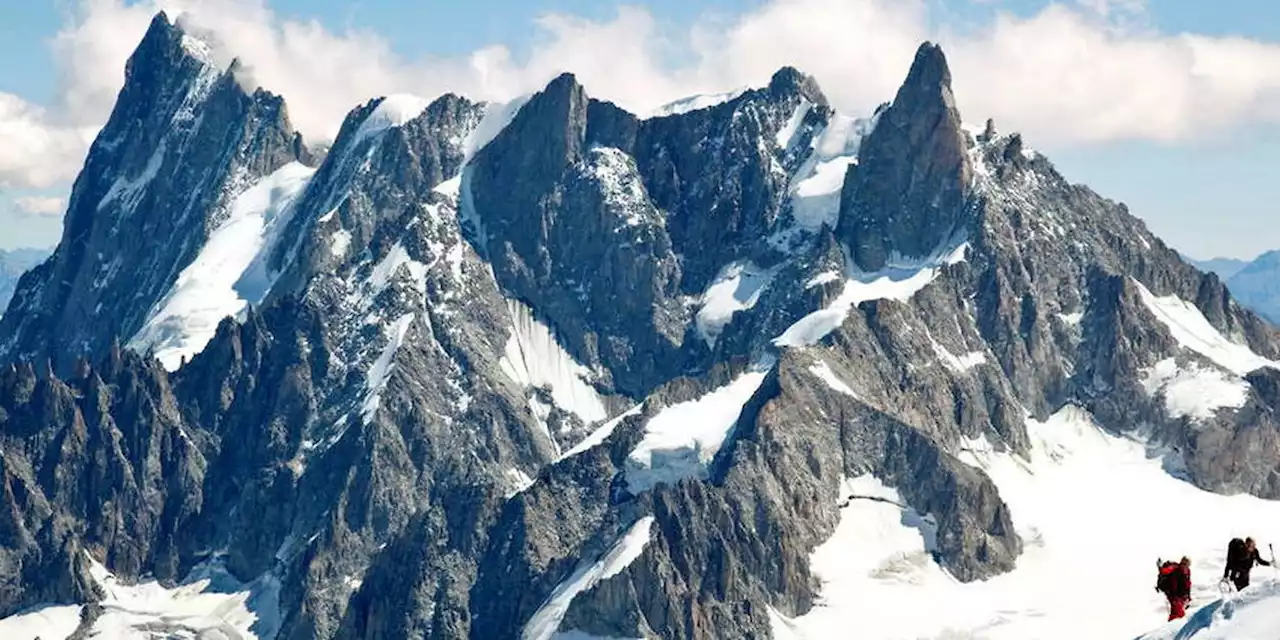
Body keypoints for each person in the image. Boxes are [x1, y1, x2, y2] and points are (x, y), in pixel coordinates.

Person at [1156, 556, 1193, 621]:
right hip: (1174, 595)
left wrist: (1188, 597)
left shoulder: (1187, 571)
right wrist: (1160, 566)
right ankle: (1171, 627)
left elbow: (1188, 584)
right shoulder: (1175, 568)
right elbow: (1164, 571)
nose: (1185, 565)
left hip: (1182, 596)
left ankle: (1172, 627)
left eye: (1186, 564)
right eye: (1184, 563)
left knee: (1179, 613)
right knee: (1177, 614)